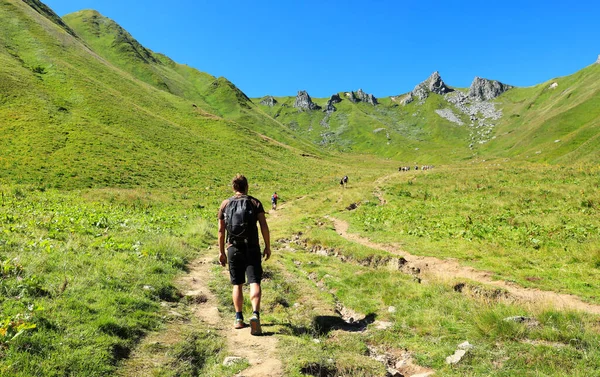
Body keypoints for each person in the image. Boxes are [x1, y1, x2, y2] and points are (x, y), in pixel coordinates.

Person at [218, 174, 271, 335]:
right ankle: (255, 314)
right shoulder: (255, 202)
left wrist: (221, 252)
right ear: (246, 186)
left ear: (234, 187)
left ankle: (238, 318)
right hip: (252, 247)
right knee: (254, 282)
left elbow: (221, 230)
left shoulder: (225, 204)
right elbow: (264, 226)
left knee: (237, 284)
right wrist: (267, 246)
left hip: (233, 248)